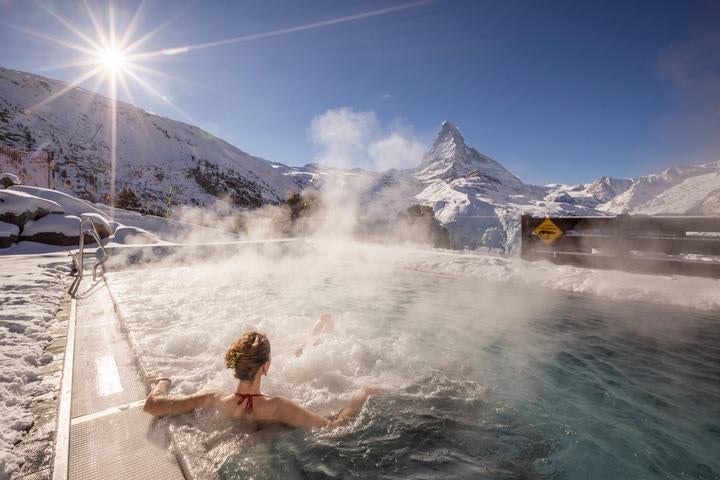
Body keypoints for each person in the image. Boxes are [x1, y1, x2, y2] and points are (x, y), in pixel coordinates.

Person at [143, 331, 376, 429]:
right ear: (266, 366)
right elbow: (333, 428)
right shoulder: (278, 407)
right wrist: (360, 396)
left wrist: (164, 380)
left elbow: (152, 405)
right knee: (299, 352)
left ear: (235, 364)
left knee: (299, 350)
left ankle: (317, 333)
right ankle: (319, 332)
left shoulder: (213, 398)